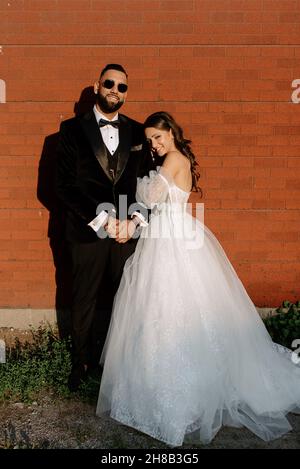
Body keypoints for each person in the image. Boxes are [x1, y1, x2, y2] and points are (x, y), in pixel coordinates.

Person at [96, 111, 300, 446]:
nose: (154, 145)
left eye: (158, 137)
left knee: (172, 308)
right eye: (149, 140)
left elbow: (151, 201)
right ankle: (151, 390)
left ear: (172, 133)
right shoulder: (173, 159)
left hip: (172, 241)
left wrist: (131, 217)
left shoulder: (174, 158)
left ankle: (175, 401)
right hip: (164, 235)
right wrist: (134, 221)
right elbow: (152, 207)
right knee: (158, 310)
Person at [55, 64, 153, 391]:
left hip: (127, 231)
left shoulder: (140, 133)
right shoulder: (69, 131)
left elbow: (150, 184)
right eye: (109, 83)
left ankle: (120, 367)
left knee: (127, 299)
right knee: (83, 299)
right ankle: (80, 364)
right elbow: (62, 186)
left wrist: (134, 220)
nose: (115, 90)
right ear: (96, 85)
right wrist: (103, 220)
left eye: (122, 87)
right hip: (87, 230)